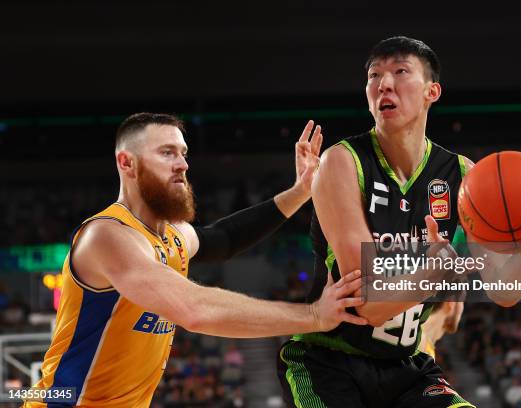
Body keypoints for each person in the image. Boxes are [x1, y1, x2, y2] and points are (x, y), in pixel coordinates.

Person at [277, 36, 521, 407]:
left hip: (406, 367)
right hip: (329, 362)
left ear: (432, 91)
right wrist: (432, 274)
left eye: (400, 71)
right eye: (374, 75)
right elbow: (367, 304)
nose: (384, 83)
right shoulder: (341, 162)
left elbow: (504, 289)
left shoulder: (464, 175)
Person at [24, 113, 367, 408]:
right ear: (126, 162)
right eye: (167, 153)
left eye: (184, 153)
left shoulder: (172, 235)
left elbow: (224, 238)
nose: (183, 164)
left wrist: (299, 193)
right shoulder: (109, 236)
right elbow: (195, 310)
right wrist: (312, 315)